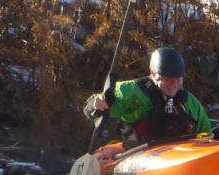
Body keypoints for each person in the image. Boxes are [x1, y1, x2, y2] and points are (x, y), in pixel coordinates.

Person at [83, 47, 212, 146]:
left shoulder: (189, 102)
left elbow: (206, 133)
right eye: (167, 78)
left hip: (178, 158)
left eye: (178, 78)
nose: (173, 84)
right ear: (153, 74)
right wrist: (97, 103)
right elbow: (90, 109)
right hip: (139, 158)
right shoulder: (132, 91)